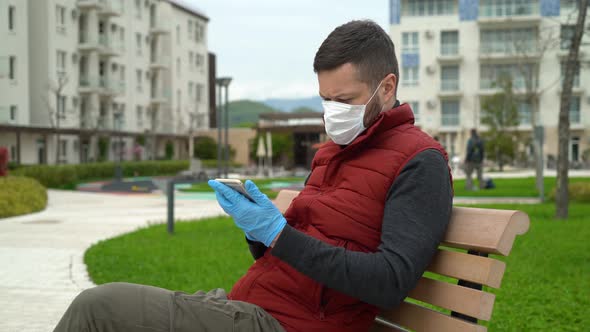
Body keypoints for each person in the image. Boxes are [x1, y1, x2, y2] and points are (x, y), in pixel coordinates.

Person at [54, 20, 453, 332]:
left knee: (98, 309)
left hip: (285, 325)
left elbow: (390, 281)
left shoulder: (420, 162)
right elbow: (290, 256)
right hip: (252, 308)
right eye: (325, 99)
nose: (332, 111)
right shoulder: (334, 152)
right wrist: (258, 232)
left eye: (344, 100)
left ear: (387, 87)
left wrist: (279, 234)